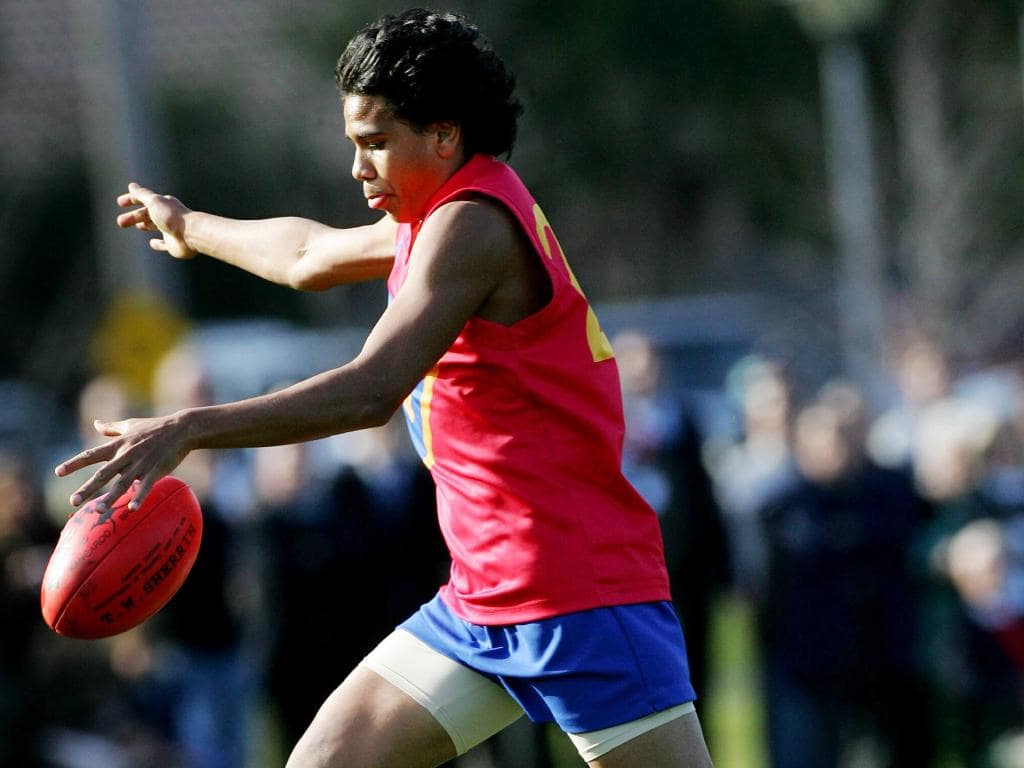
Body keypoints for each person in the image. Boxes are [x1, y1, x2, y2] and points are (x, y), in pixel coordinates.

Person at [55, 9, 713, 768]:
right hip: (480, 605)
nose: (358, 169)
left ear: (443, 133)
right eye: (353, 145)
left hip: (583, 598)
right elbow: (308, 252)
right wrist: (190, 225)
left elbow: (370, 389)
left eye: (374, 145)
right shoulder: (431, 218)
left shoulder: (474, 225)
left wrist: (191, 426)